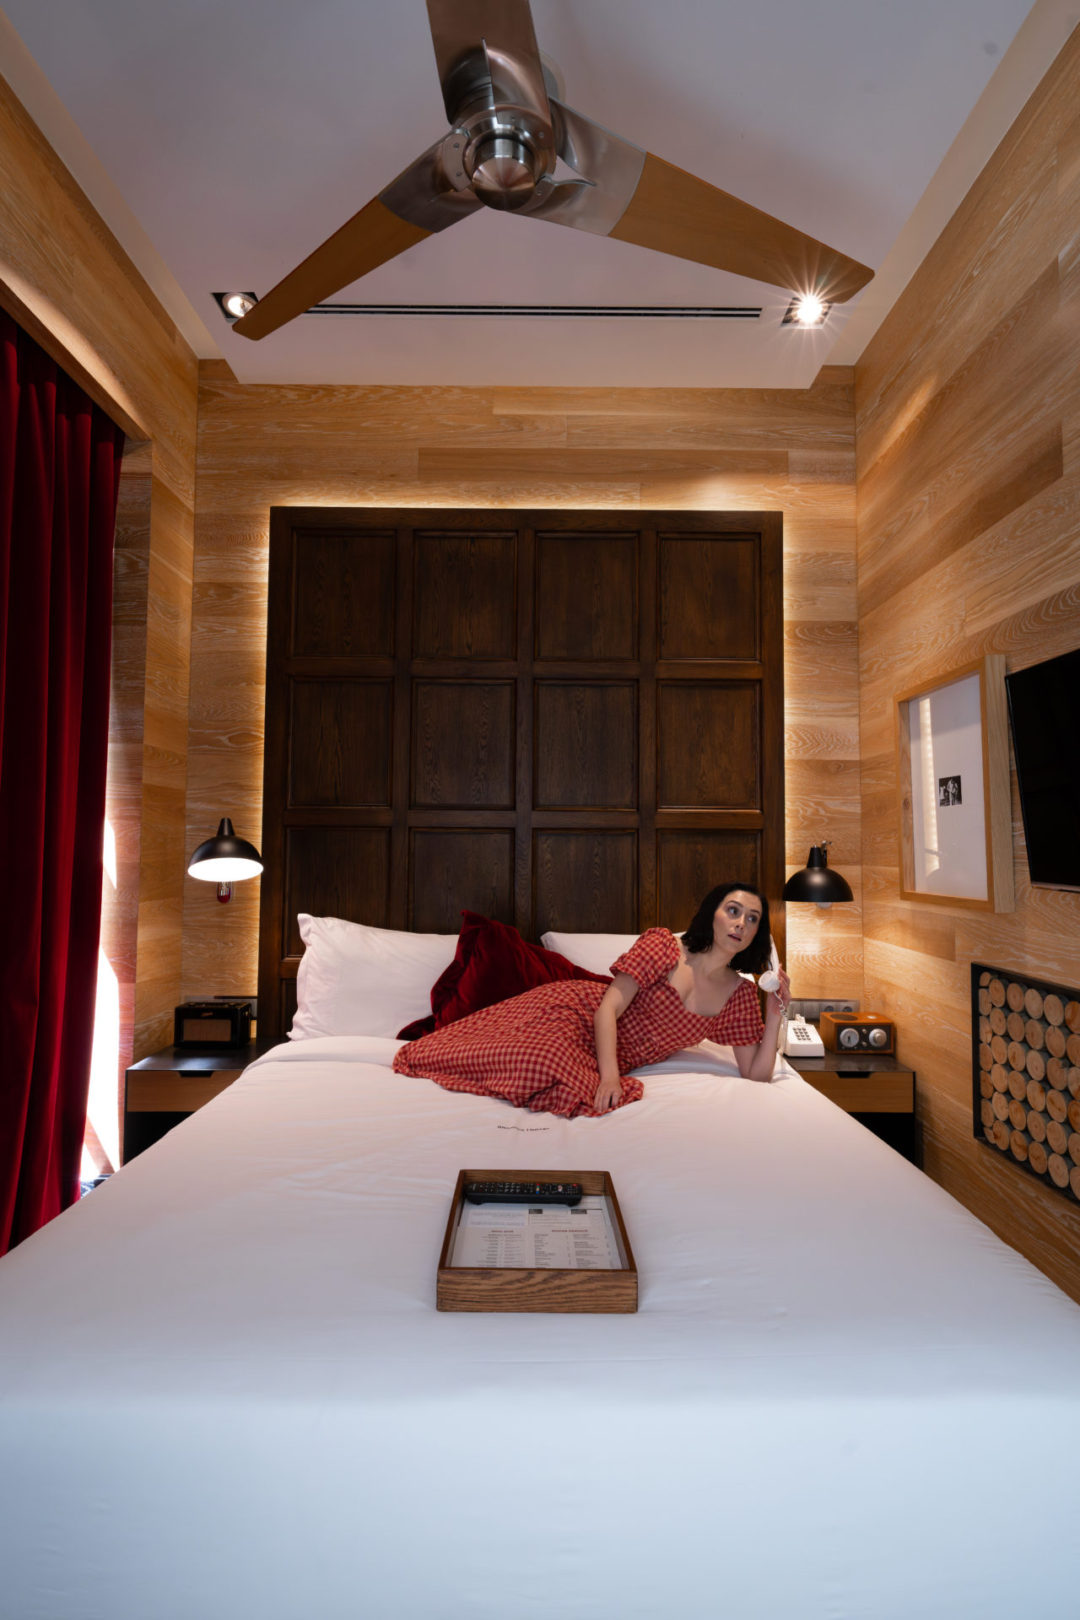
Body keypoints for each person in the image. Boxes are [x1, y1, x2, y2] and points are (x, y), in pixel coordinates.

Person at [391, 884, 792, 1118]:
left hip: (610, 1052)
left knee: (558, 1076)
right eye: (733, 911)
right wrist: (610, 1077)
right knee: (541, 1059)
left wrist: (775, 1016)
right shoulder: (664, 947)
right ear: (712, 915)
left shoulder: (739, 995)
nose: (741, 923)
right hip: (577, 1014)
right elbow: (608, 1009)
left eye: (752, 918)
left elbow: (755, 1075)